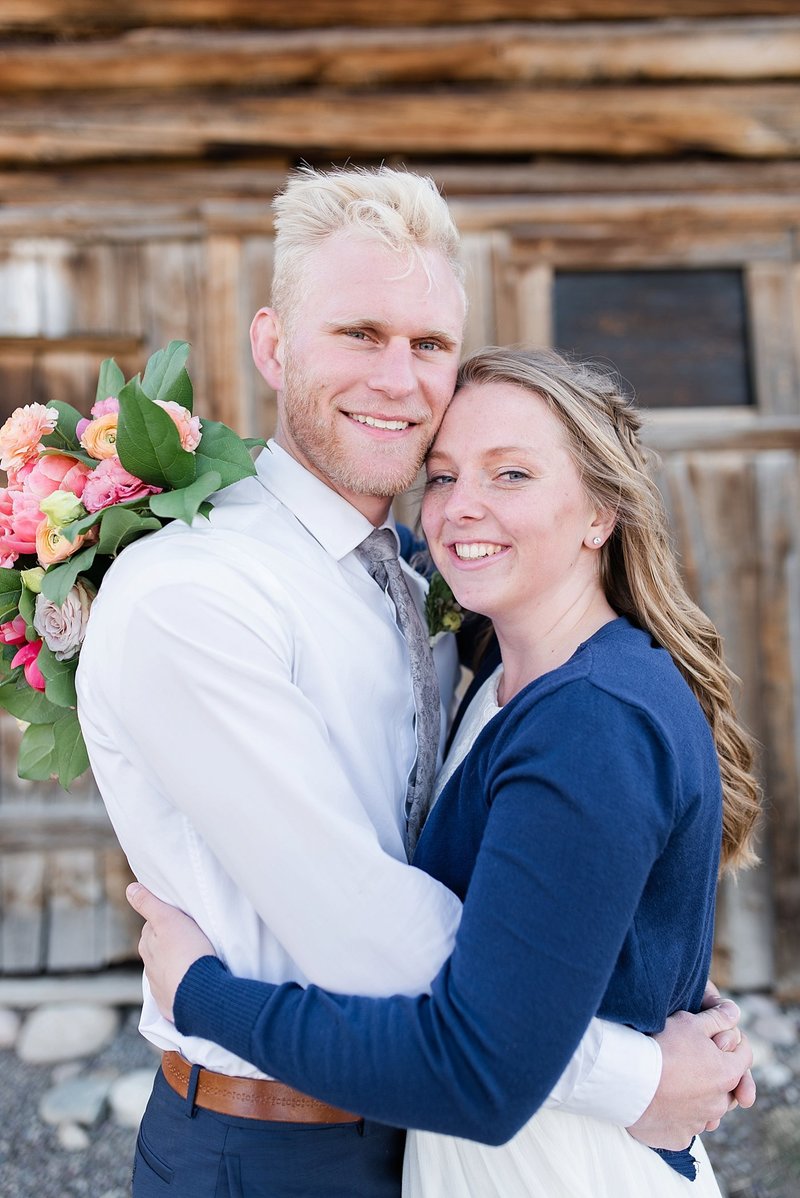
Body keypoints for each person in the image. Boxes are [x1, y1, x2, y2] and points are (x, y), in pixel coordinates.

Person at [77, 167, 752, 1198]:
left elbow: (528, 857)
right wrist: (633, 1070)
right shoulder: (197, 593)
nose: (398, 379)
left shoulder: (432, 590)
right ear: (270, 343)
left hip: (435, 1130)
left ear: (596, 512)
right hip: (273, 1148)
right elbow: (370, 936)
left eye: (428, 343)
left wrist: (625, 958)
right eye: (358, 334)